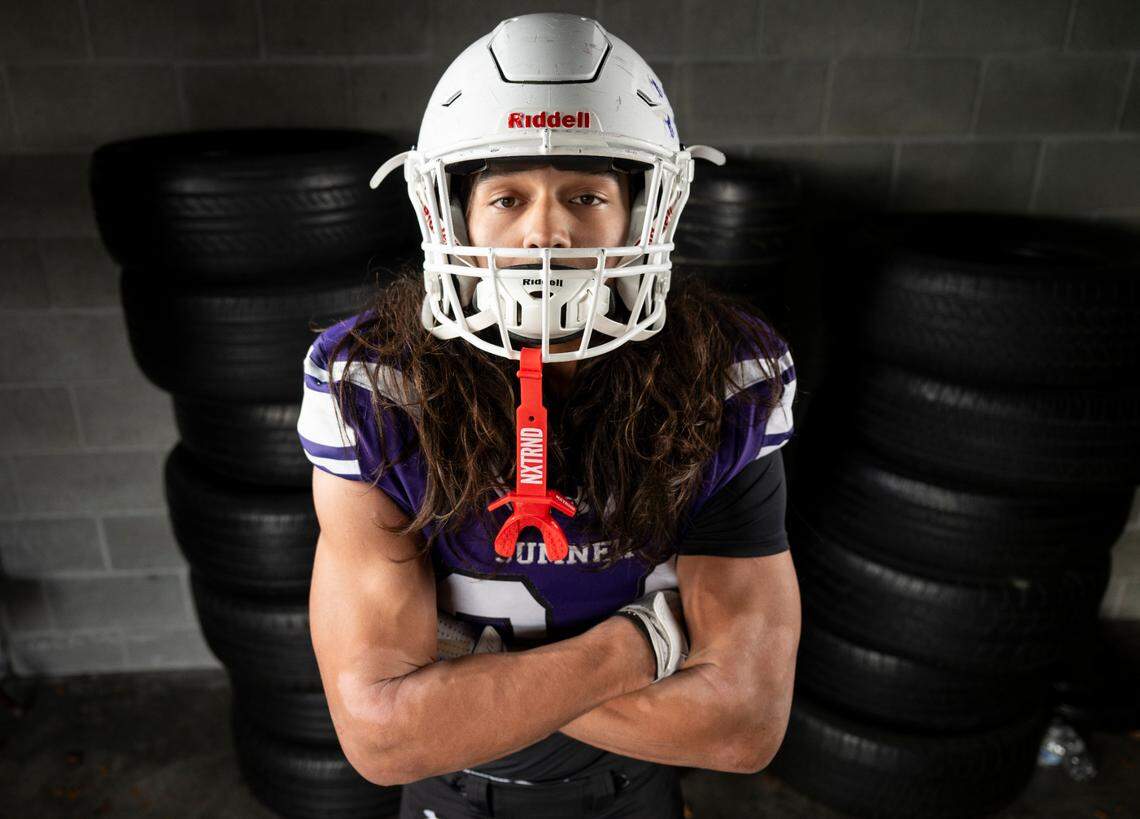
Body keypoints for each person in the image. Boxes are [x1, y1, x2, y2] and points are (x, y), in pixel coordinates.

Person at [297, 12, 801, 819]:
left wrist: (468, 682)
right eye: (507, 196)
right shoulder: (375, 384)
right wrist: (645, 643)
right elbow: (384, 740)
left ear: (647, 211)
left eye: (585, 194)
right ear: (448, 212)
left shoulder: (725, 376)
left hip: (630, 791)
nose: (546, 233)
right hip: (454, 795)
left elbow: (742, 725)